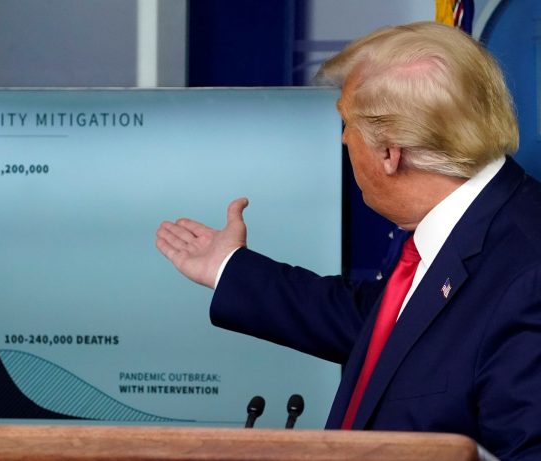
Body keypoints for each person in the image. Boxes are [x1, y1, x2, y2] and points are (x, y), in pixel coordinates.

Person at [156, 21, 541, 461]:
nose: (342, 138)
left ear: (390, 152)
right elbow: (388, 326)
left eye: (347, 121)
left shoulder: (528, 275)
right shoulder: (469, 225)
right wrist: (228, 266)